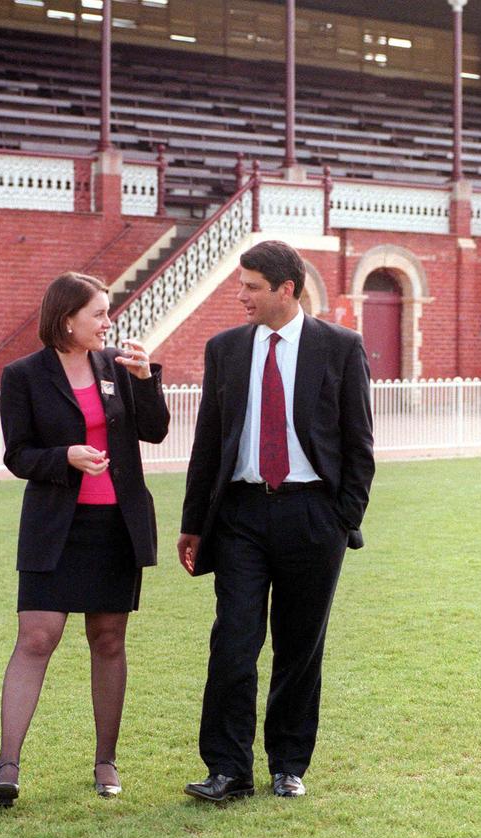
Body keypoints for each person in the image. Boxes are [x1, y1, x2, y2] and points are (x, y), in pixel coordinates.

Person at [177, 240, 374, 802]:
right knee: (233, 643)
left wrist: (341, 518)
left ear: (286, 290)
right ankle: (227, 770)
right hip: (239, 516)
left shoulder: (340, 347)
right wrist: (195, 523)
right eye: (241, 285)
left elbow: (359, 444)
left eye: (252, 287)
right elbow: (208, 444)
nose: (241, 296)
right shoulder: (226, 350)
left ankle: (288, 764)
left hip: (313, 516)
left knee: (299, 646)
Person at [0, 272, 169, 807]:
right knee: (36, 638)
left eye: (107, 312)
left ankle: (105, 761)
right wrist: (65, 457)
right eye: (99, 313)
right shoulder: (22, 375)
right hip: (54, 528)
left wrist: (144, 379)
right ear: (67, 318)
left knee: (109, 640)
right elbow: (17, 455)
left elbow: (155, 430)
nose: (107, 322)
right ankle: (8, 766)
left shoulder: (117, 367)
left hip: (116, 526)